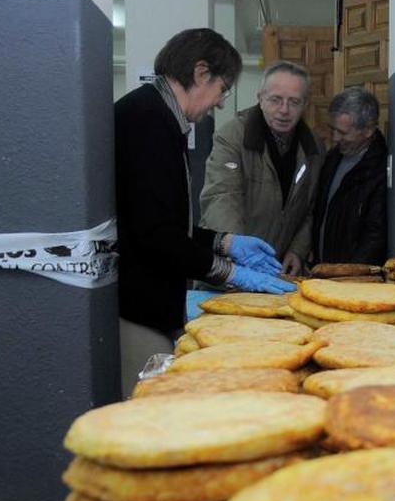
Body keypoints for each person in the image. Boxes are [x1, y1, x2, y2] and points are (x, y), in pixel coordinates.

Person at [114, 28, 293, 397]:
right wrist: (230, 272)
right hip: (138, 306)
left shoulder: (160, 116)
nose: (221, 102)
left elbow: (165, 221)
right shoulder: (147, 120)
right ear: (200, 73)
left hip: (154, 300)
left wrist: (225, 242)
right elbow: (155, 235)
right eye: (223, 88)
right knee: (151, 410)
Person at [199, 61, 323, 277]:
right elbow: (222, 197)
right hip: (230, 267)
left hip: (278, 268)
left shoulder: (314, 148)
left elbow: (312, 209)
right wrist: (238, 254)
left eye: (294, 102)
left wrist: (297, 250)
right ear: (260, 98)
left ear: (305, 105)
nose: (284, 110)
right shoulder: (232, 136)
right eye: (275, 100)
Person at [310, 87, 388, 266]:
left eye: (343, 132)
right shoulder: (331, 159)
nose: (335, 138)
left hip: (353, 281)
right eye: (333, 129)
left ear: (368, 130)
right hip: (325, 271)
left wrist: (351, 275)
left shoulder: (381, 170)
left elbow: (375, 236)